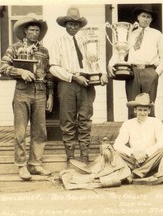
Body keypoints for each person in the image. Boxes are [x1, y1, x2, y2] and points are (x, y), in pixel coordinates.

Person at [0, 13, 53, 180]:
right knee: (20, 131)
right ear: (25, 31)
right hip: (22, 91)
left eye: (37, 30)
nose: (35, 33)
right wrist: (20, 71)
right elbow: (2, 67)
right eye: (31, 29)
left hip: (41, 92)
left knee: (40, 131)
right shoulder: (14, 48)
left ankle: (35, 164)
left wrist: (50, 95)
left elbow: (49, 74)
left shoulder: (44, 51)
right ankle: (21, 166)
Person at [49, 7, 108, 163]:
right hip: (68, 83)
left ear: (80, 26)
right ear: (65, 25)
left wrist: (102, 74)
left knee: (85, 119)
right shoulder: (58, 42)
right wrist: (73, 77)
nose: (73, 27)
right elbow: (53, 67)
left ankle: (84, 154)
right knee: (67, 120)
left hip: (87, 83)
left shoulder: (87, 41)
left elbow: (96, 60)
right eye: (70, 24)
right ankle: (70, 156)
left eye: (76, 24)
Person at [108, 5, 163, 119]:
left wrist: (156, 73)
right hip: (133, 72)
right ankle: (133, 133)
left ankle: (149, 133)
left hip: (150, 71)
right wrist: (110, 64)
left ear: (151, 19)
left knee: (148, 105)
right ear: (138, 17)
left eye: (148, 17)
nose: (145, 19)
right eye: (143, 16)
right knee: (133, 104)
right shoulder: (131, 34)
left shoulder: (157, 34)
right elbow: (120, 52)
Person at [113, 93, 163, 182]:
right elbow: (117, 144)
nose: (142, 113)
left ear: (149, 110)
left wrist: (146, 153)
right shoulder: (128, 123)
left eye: (145, 110)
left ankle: (134, 174)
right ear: (135, 110)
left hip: (151, 157)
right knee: (116, 152)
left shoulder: (156, 122)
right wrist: (133, 153)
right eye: (140, 110)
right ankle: (145, 171)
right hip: (134, 159)